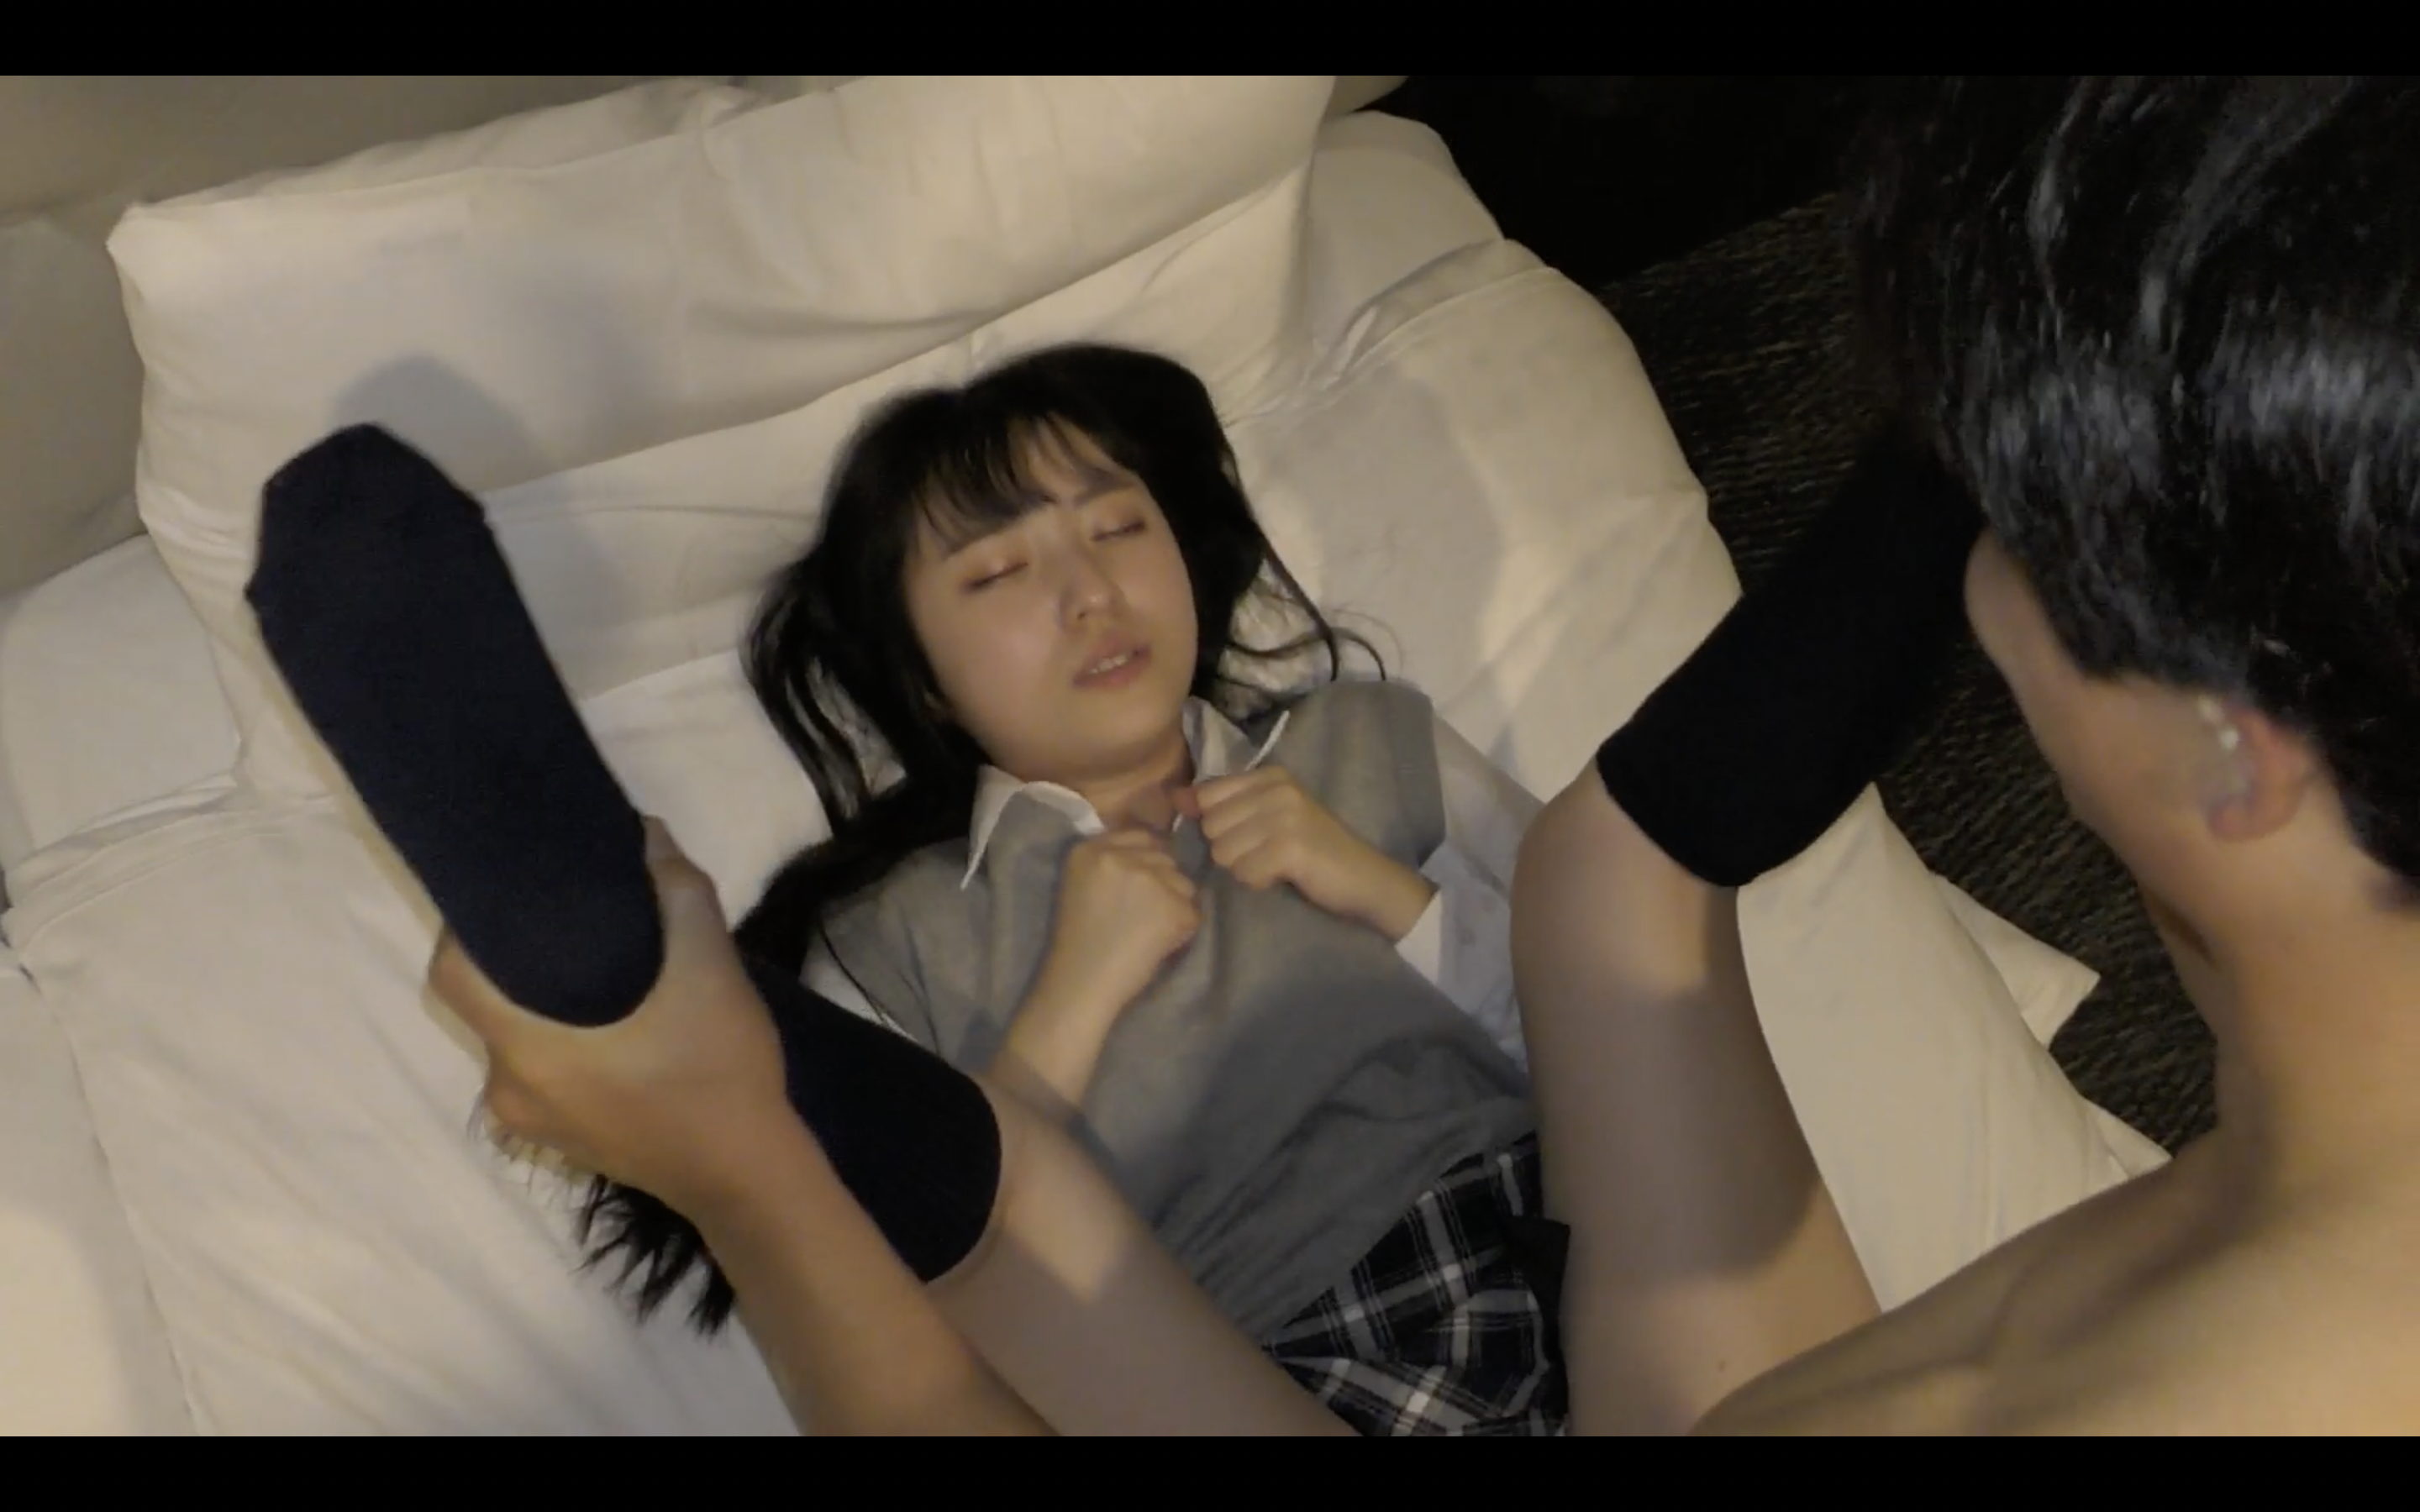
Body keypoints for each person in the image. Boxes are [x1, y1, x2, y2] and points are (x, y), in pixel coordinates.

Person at [445, 74, 2420, 1435]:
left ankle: (707, 1086)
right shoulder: (2319, 1173)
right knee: (1612, 888)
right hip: (1502, 1326)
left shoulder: (1351, 748)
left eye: (2028, 532)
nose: (1085, 584)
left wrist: (743, 1180)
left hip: (1467, 1274)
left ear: (2237, 742)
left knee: (1017, 1242)